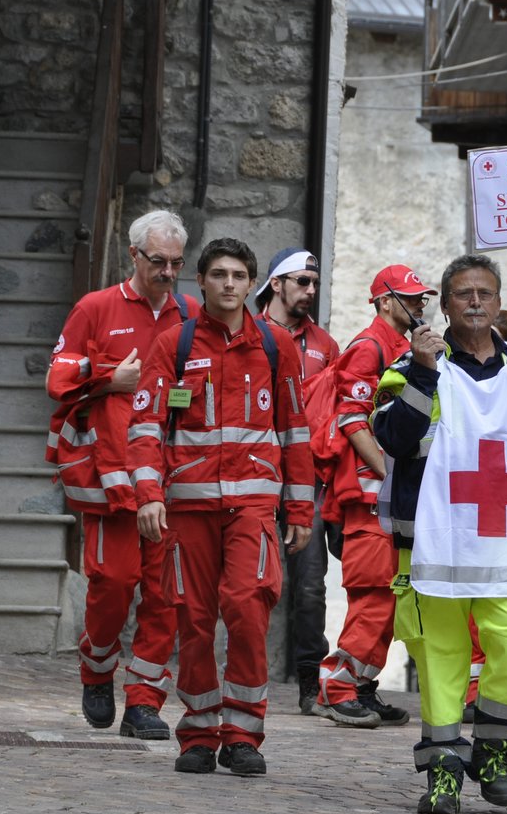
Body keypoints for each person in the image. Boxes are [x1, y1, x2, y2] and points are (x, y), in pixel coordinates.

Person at [373, 254, 507, 814]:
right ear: (445, 302)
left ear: (499, 300)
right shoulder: (409, 367)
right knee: (440, 657)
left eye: (486, 292)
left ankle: (492, 750)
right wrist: (424, 372)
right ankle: (441, 770)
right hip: (434, 541)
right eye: (464, 294)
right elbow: (394, 437)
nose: (477, 302)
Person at [127, 238, 316, 777]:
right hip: (188, 511)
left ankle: (242, 734)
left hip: (253, 508)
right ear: (202, 282)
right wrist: (148, 496)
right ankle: (199, 732)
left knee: (249, 610)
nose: (228, 284)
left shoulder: (277, 346)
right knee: (193, 619)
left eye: (238, 275)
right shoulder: (173, 345)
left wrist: (300, 512)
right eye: (218, 274)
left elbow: (296, 433)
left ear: (251, 282)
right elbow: (143, 429)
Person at [45, 210, 196, 741]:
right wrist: (110, 377)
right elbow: (57, 378)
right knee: (113, 582)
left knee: (164, 593)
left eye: (178, 262)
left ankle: (144, 701)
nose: (169, 272)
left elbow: (195, 390)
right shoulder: (96, 308)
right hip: (109, 475)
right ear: (134, 256)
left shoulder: (189, 315)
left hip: (171, 475)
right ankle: (96, 666)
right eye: (159, 261)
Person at [312, 264, 436, 729]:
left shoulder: (401, 347)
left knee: (390, 596)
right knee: (375, 597)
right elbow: (351, 419)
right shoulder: (370, 346)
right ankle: (338, 685)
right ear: (385, 301)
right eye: (412, 297)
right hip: (367, 499)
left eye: (423, 298)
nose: (420, 304)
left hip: (386, 501)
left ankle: (361, 687)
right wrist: (390, 474)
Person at [255, 247, 340, 715]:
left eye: (314, 283)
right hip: (255, 475)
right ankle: (245, 677)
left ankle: (310, 682)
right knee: (251, 583)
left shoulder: (326, 345)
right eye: (302, 282)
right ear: (276, 284)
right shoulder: (249, 334)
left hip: (309, 480)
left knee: (310, 585)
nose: (310, 290)